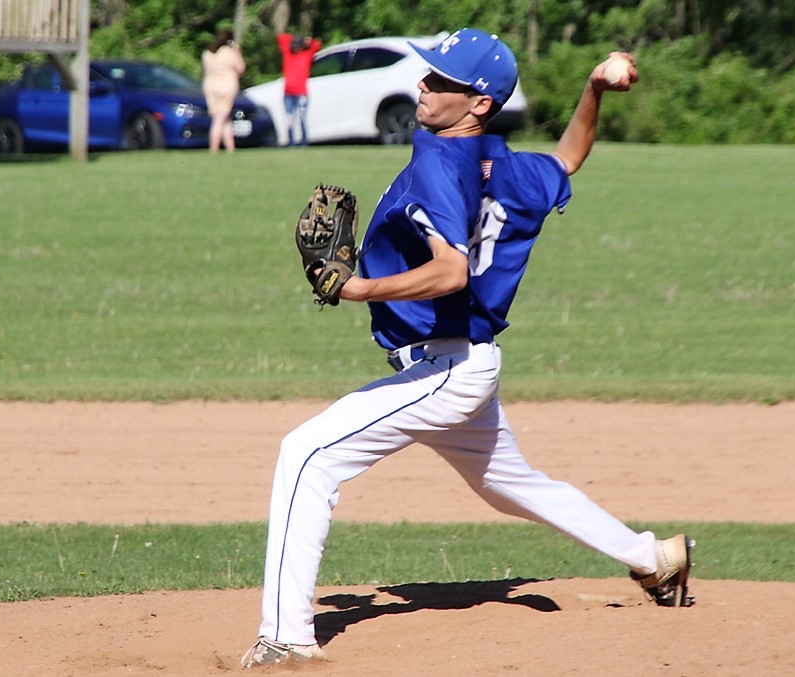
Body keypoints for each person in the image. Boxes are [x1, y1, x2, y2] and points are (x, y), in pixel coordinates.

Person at [241, 28, 693, 669]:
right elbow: (568, 156)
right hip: (465, 364)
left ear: (479, 103)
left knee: (306, 455)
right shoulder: (511, 169)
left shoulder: (437, 165)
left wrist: (359, 288)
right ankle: (654, 558)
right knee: (510, 485)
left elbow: (451, 272)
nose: (421, 85)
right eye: (427, 74)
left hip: (443, 367)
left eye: (440, 80)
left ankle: (285, 640)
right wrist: (593, 89)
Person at [202, 29, 246, 153]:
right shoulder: (228, 53)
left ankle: (230, 149)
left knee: (224, 118)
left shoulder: (208, 53)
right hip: (226, 86)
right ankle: (214, 148)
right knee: (220, 119)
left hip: (210, 85)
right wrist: (237, 51)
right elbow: (241, 68)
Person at [276, 32, 322, 146]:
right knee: (290, 120)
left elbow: (317, 44)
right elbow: (281, 38)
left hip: (301, 93)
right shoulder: (288, 53)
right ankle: (291, 142)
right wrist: (295, 38)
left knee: (302, 119)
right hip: (288, 93)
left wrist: (306, 40)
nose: (295, 48)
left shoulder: (306, 54)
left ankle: (304, 142)